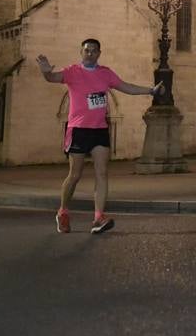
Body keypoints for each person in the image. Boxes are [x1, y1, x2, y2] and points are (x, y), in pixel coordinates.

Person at [36, 38, 161, 235]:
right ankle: (63, 212)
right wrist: (45, 71)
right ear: (81, 52)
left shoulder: (106, 73)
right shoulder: (72, 72)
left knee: (102, 173)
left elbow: (126, 87)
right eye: (87, 50)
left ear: (99, 53)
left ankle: (98, 217)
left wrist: (150, 91)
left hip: (100, 129)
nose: (90, 53)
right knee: (75, 175)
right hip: (78, 130)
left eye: (94, 51)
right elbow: (52, 78)